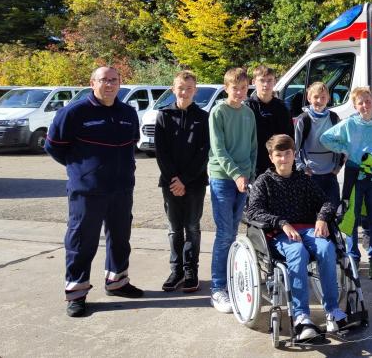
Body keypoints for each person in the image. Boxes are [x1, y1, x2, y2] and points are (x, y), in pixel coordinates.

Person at [46, 66, 144, 317]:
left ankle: (117, 282)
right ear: (92, 83)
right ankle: (76, 294)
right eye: (104, 80)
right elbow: (54, 147)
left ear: (120, 83)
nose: (109, 85)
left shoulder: (128, 113)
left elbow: (132, 143)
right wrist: (82, 170)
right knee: (81, 241)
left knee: (120, 238)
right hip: (87, 191)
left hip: (121, 189)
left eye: (114, 80)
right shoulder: (74, 113)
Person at [245, 134, 346, 340]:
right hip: (279, 234)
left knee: (327, 248)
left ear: (294, 155)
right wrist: (281, 223)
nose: (284, 159)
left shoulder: (303, 180)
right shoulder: (264, 182)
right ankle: (301, 317)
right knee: (298, 252)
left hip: (308, 229)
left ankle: (332, 311)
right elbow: (254, 211)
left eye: (288, 154)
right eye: (279, 155)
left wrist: (322, 218)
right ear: (271, 157)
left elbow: (326, 202)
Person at [321, 87, 372, 279]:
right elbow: (325, 137)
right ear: (354, 105)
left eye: (367, 101)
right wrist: (345, 148)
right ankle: (353, 258)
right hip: (354, 174)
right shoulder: (349, 124)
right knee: (351, 217)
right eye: (360, 102)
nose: (365, 105)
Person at [154, 70, 210, 293]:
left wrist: (185, 180)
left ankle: (190, 271)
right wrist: (173, 181)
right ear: (173, 89)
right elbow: (161, 152)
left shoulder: (203, 117)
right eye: (180, 88)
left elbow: (203, 152)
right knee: (174, 230)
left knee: (192, 228)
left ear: (195, 90)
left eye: (189, 88)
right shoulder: (163, 116)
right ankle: (176, 270)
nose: (184, 92)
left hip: (195, 183)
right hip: (169, 183)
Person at [208, 68, 258, 313]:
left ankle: (230, 279)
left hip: (243, 179)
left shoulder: (248, 113)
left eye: (243, 87)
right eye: (235, 88)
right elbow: (218, 149)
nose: (240, 92)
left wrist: (248, 174)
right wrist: (236, 174)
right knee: (225, 232)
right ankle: (218, 289)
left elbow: (252, 146)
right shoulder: (218, 112)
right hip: (222, 178)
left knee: (235, 230)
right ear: (226, 87)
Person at [294, 82, 343, 207]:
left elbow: (342, 144)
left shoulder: (334, 118)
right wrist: (303, 168)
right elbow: (294, 148)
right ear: (309, 98)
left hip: (330, 174)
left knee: (332, 211)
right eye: (316, 97)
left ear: (328, 99)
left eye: (323, 97)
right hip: (310, 174)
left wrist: (338, 166)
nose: (319, 101)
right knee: (311, 213)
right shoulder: (303, 119)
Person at [245, 65, 293, 177]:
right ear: (253, 82)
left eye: (269, 80)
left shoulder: (282, 108)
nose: (266, 84)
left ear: (275, 82)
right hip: (253, 165)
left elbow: (289, 138)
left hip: (277, 165)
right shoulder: (247, 108)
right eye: (262, 80)